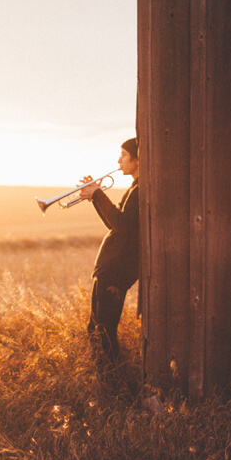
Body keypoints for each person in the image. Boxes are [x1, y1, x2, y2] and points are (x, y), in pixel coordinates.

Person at [77, 137, 140, 364]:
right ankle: (106, 380)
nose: (119, 160)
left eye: (123, 155)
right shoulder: (134, 188)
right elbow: (114, 224)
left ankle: (116, 385)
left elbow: (122, 226)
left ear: (138, 159)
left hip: (116, 270)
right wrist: (94, 197)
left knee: (103, 332)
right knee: (95, 329)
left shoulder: (140, 190)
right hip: (111, 268)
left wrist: (98, 194)